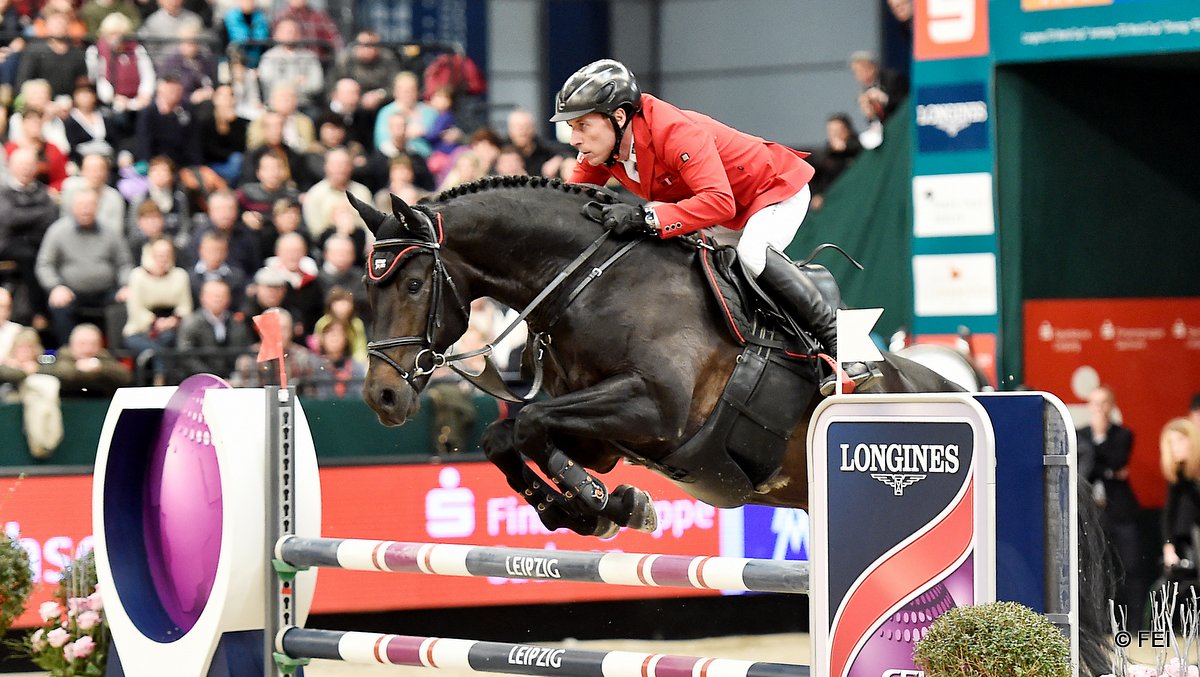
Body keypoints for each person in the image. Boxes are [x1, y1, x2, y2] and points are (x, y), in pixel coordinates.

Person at [552, 59, 877, 394]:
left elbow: (719, 201)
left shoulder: (671, 130)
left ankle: (845, 348)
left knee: (752, 256)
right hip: (721, 212)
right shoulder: (602, 149)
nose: (574, 138)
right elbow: (569, 201)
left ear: (618, 117)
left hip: (771, 191)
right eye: (572, 128)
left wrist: (647, 217)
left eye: (581, 125)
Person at [1077, 385, 1143, 627]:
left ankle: (1135, 625)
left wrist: (1101, 437)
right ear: (1088, 406)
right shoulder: (1079, 434)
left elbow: (1118, 460)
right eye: (1095, 403)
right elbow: (1086, 469)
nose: (1099, 408)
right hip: (1093, 514)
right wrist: (1109, 470)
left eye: (1104, 403)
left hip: (1121, 512)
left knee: (1131, 567)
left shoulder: (1123, 434)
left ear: (1112, 406)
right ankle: (1099, 625)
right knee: (1095, 568)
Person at [36, 187, 133, 345]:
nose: (86, 210)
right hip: (71, 292)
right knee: (60, 305)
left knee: (126, 304)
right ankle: (68, 355)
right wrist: (55, 287)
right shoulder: (57, 231)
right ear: (73, 207)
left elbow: (124, 263)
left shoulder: (111, 232)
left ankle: (117, 359)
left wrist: (125, 285)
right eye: (82, 205)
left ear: (97, 207)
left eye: (90, 205)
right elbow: (44, 265)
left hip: (107, 292)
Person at [0, 148, 59, 322]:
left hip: (38, 241)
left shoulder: (42, 191)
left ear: (36, 168)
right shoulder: (3, 191)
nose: (25, 169)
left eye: (29, 165)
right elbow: (10, 218)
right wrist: (37, 214)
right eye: (21, 165)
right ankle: (39, 311)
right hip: (8, 243)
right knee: (29, 255)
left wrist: (25, 215)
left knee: (50, 254)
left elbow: (51, 216)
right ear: (10, 166)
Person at [122, 238, 191, 379]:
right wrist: (155, 322)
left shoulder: (180, 275)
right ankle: (160, 380)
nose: (163, 258)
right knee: (157, 351)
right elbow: (135, 308)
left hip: (171, 329)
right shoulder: (137, 276)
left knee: (169, 341)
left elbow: (185, 306)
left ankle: (164, 381)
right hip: (140, 330)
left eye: (167, 254)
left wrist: (173, 320)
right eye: (159, 254)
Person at [176, 278, 252, 378]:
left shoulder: (237, 324)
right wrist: (212, 378)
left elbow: (244, 349)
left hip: (232, 380)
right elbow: (186, 355)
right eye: (214, 295)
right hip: (197, 380)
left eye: (222, 295)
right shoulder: (191, 323)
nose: (218, 299)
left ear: (229, 299)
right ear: (202, 298)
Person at [44, 322, 131, 396]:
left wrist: (100, 367)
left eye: (93, 344)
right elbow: (58, 371)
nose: (87, 349)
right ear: (72, 344)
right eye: (82, 344)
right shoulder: (62, 355)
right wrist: (78, 368)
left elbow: (124, 376)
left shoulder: (104, 357)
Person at [1160, 418, 1200, 579]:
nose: (1175, 447)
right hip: (1188, 543)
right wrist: (1168, 546)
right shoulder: (1179, 478)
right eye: (1171, 442)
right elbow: (1169, 513)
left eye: (1180, 440)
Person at [809, 113, 862, 211]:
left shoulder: (859, 148)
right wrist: (816, 195)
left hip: (855, 199)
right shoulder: (824, 154)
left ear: (847, 130)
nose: (834, 135)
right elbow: (815, 177)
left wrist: (845, 149)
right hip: (832, 203)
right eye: (831, 131)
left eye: (838, 131)